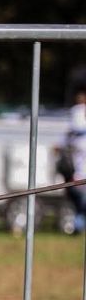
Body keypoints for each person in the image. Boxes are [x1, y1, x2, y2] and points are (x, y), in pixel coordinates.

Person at [64, 89, 86, 233]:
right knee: (81, 204)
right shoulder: (78, 111)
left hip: (79, 173)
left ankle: (78, 226)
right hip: (80, 174)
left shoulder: (76, 112)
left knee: (80, 205)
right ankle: (78, 227)